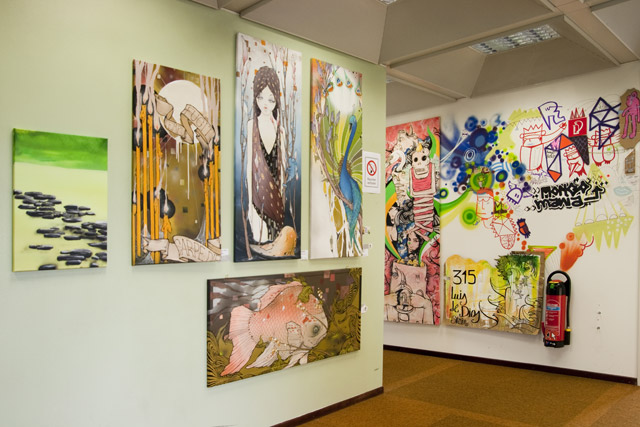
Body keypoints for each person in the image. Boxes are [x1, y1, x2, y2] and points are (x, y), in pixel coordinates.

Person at [246, 66, 286, 244]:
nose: (265, 103)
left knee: (275, 241)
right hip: (258, 193)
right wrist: (249, 201)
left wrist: (282, 195)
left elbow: (282, 168)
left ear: (276, 100)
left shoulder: (280, 130)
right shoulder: (251, 126)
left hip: (276, 196)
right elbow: (249, 166)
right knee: (259, 238)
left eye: (270, 99)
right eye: (260, 97)